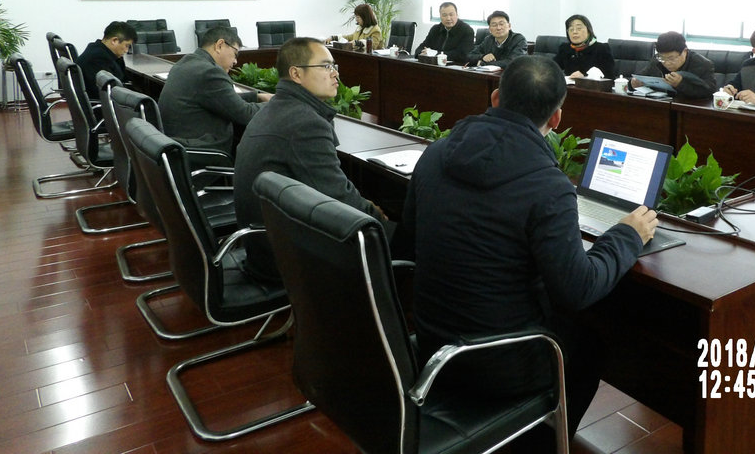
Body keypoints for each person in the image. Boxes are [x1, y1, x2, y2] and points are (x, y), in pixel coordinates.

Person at [391, 55, 658, 445]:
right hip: (499, 365)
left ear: (496, 98)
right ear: (557, 119)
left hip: (433, 346)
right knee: (590, 345)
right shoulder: (548, 185)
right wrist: (627, 235)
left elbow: (407, 240)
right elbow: (578, 290)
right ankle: (540, 442)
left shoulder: (436, 152)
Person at [234, 37, 389, 282]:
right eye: (326, 66)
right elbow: (338, 197)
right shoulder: (304, 123)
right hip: (285, 256)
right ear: (296, 74)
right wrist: (378, 218)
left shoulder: (278, 108)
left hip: (263, 243)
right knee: (395, 236)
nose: (335, 74)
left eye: (334, 66)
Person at [158, 26, 272, 155]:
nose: (235, 61)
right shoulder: (210, 72)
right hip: (203, 152)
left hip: (177, 146)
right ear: (219, 45)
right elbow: (245, 114)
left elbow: (221, 99)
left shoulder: (186, 62)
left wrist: (257, 96)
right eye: (235, 54)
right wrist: (277, 103)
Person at [630, 31, 716, 99]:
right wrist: (633, 84)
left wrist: (680, 84)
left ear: (684, 51)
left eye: (671, 58)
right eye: (662, 58)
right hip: (660, 106)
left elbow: (709, 93)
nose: (666, 63)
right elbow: (640, 77)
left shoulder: (703, 65)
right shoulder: (657, 60)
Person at [75, 21, 136, 97]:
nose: (126, 50)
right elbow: (109, 93)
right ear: (114, 41)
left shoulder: (96, 49)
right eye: (127, 46)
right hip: (103, 102)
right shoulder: (98, 59)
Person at [552, 14, 615, 78]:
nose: (574, 32)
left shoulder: (601, 49)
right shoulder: (565, 49)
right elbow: (552, 68)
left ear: (589, 31)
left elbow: (610, 77)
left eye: (579, 28)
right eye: (571, 29)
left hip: (591, 84)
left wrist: (585, 77)